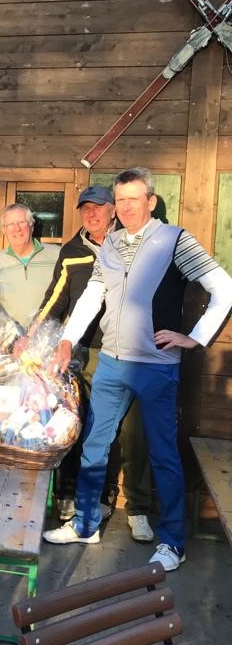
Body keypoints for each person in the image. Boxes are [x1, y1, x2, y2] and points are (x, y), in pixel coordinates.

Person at [43, 167, 232, 571]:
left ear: (150, 201)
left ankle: (173, 543)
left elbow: (224, 288)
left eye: (133, 199)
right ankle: (85, 523)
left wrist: (195, 338)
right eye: (121, 200)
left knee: (162, 453)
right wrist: (68, 338)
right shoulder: (111, 243)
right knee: (94, 445)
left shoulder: (176, 240)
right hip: (111, 363)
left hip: (156, 366)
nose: (126, 207)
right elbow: (93, 294)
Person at [32, 185, 153, 542]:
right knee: (84, 427)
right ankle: (76, 497)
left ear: (113, 210)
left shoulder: (134, 243)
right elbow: (55, 298)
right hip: (86, 353)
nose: (91, 213)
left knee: (132, 433)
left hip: (131, 353)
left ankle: (135, 507)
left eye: (98, 207)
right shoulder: (72, 251)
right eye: (85, 208)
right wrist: (31, 334)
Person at [0, 204, 60, 329]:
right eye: (10, 224)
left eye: (21, 222)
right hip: (9, 337)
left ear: (31, 226)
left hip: (49, 336)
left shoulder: (57, 255)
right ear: (4, 230)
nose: (17, 229)